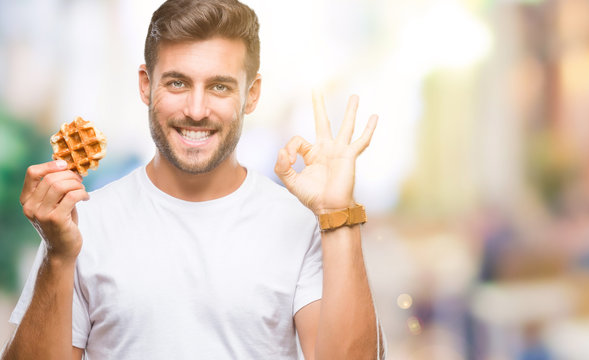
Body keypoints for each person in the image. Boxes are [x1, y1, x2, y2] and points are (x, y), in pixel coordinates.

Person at [2, 0, 384, 359]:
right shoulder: (82, 225)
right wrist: (57, 257)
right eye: (177, 83)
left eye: (219, 86)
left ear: (251, 95)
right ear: (145, 85)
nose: (197, 110)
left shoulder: (298, 225)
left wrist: (340, 216)